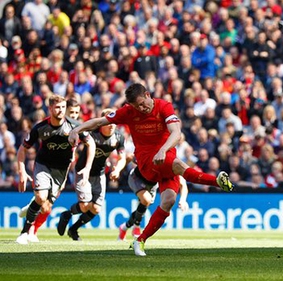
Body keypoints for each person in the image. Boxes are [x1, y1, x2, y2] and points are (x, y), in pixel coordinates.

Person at [68, 83, 234, 256]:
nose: (141, 108)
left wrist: (163, 149)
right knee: (178, 165)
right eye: (136, 106)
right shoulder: (128, 112)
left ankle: (140, 241)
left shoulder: (164, 106)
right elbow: (100, 121)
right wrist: (77, 129)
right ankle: (217, 181)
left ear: (147, 95)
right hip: (148, 161)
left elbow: (176, 133)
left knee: (168, 201)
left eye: (142, 103)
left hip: (165, 158)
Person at [16, 95, 95, 244]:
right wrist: (22, 170)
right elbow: (23, 148)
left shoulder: (75, 126)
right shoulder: (40, 128)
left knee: (45, 207)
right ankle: (24, 232)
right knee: (41, 197)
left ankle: (32, 208)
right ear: (50, 108)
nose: (60, 110)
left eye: (63, 107)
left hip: (61, 171)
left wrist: (87, 167)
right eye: (57, 107)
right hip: (43, 165)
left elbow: (91, 143)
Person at [57, 109, 127, 241]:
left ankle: (73, 229)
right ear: (101, 123)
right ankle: (67, 214)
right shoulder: (91, 133)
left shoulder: (118, 137)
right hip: (83, 171)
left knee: (96, 208)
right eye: (108, 122)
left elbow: (122, 157)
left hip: (99, 174)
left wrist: (117, 169)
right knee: (84, 206)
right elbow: (76, 124)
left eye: (114, 122)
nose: (112, 125)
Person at [118, 167, 189, 241]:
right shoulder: (153, 158)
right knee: (146, 200)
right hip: (137, 178)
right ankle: (136, 226)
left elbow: (182, 184)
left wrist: (183, 200)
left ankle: (124, 227)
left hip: (152, 183)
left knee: (143, 207)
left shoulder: (171, 165)